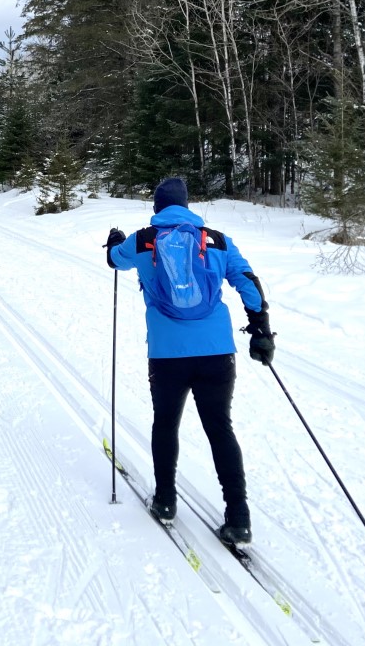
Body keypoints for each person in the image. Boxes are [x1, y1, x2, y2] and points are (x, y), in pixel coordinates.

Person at [105, 177, 275, 546]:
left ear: (157, 207)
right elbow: (248, 281)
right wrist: (261, 330)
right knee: (220, 428)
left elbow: (113, 261)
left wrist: (116, 242)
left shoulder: (143, 239)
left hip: (167, 353)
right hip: (216, 350)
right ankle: (239, 518)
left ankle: (165, 501)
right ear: (187, 205)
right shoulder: (216, 239)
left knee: (166, 423)